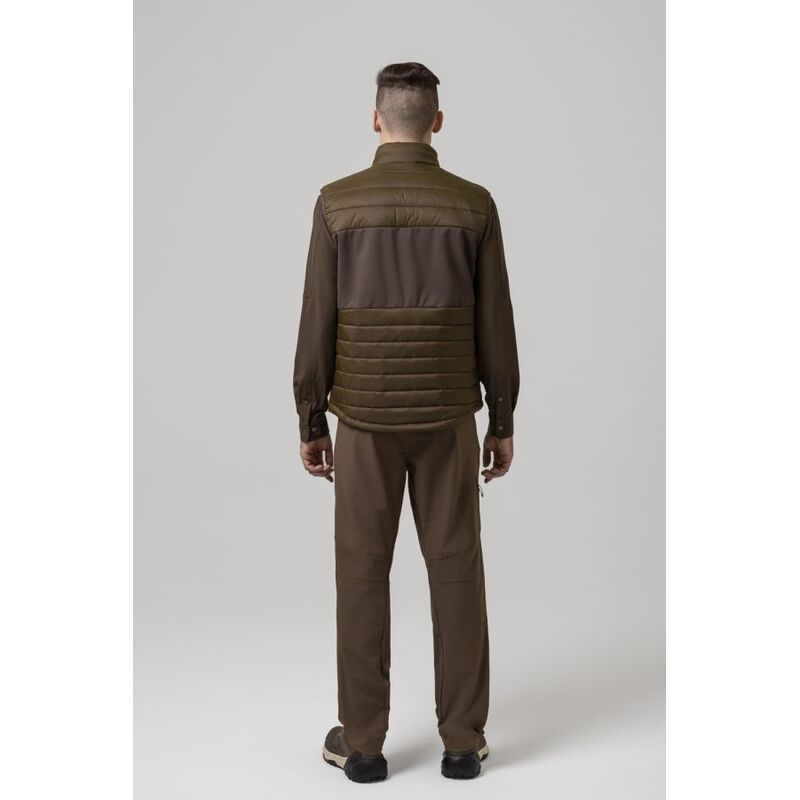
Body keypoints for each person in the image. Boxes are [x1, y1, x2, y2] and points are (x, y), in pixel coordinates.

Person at [292, 62, 519, 782]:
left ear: (376, 118)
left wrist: (311, 418)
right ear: (437, 122)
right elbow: (495, 321)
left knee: (362, 573)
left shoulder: (337, 204)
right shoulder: (473, 205)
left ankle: (363, 746)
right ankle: (462, 742)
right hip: (449, 418)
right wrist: (502, 415)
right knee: (456, 572)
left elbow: (317, 319)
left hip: (363, 420)